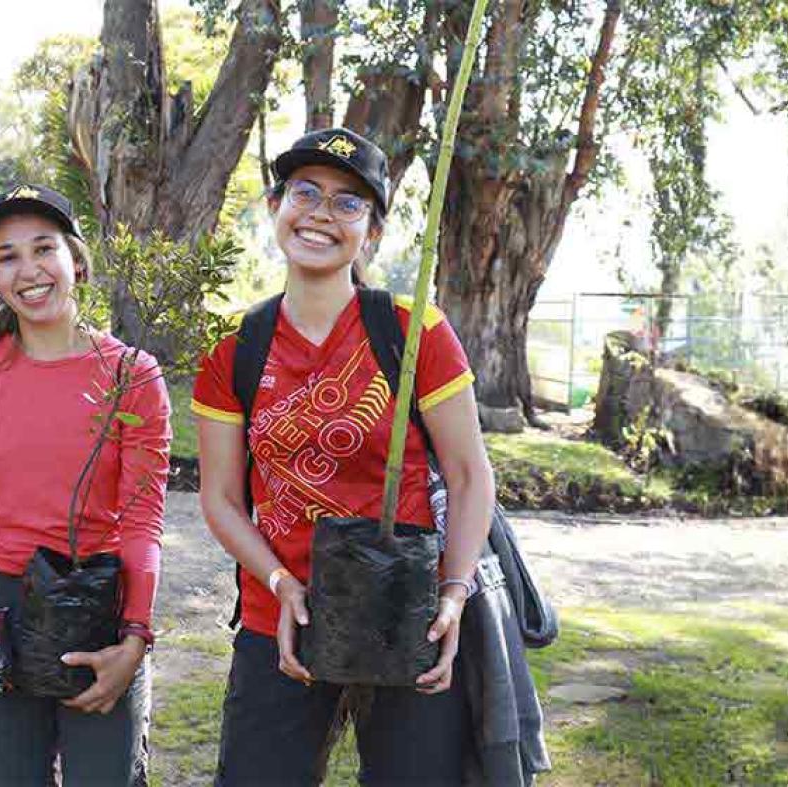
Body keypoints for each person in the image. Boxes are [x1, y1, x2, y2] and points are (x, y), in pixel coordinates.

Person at [190, 128, 496, 786]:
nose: (321, 214)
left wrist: (454, 591)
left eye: (348, 203)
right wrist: (279, 581)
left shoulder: (417, 333)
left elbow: (471, 475)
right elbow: (219, 497)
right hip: (281, 620)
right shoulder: (233, 350)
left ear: (374, 234)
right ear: (275, 205)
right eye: (306, 192)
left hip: (403, 612)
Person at [0, 184, 171, 784]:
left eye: (44, 249)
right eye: (8, 256)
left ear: (76, 262)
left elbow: (141, 520)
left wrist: (135, 636)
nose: (29, 270)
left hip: (96, 607)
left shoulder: (133, 375)